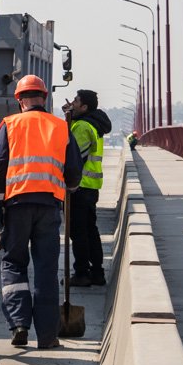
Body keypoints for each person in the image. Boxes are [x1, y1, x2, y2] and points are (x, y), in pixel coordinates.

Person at [0, 75, 83, 349]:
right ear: (45, 98)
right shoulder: (60, 127)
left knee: (13, 263)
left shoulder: (10, 124)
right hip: (50, 206)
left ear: (19, 101)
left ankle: (19, 324)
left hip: (17, 206)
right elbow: (74, 173)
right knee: (46, 270)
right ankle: (48, 336)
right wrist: (69, 190)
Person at [62, 90, 112, 287]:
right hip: (91, 187)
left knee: (79, 232)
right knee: (90, 230)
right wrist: (68, 118)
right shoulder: (94, 124)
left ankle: (81, 273)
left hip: (79, 188)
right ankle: (97, 272)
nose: (72, 103)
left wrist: (68, 123)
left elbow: (72, 157)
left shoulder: (82, 126)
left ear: (84, 107)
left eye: (75, 101)